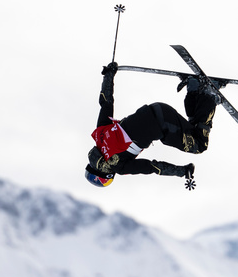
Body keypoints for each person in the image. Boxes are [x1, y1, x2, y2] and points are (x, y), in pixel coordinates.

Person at [84, 62, 216, 187]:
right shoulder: (100, 135)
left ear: (103, 174)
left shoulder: (118, 166)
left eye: (104, 182)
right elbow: (106, 101)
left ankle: (209, 94)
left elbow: (153, 167)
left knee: (199, 145)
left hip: (163, 124)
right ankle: (195, 88)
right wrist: (108, 75)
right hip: (155, 109)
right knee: (192, 132)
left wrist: (182, 171)